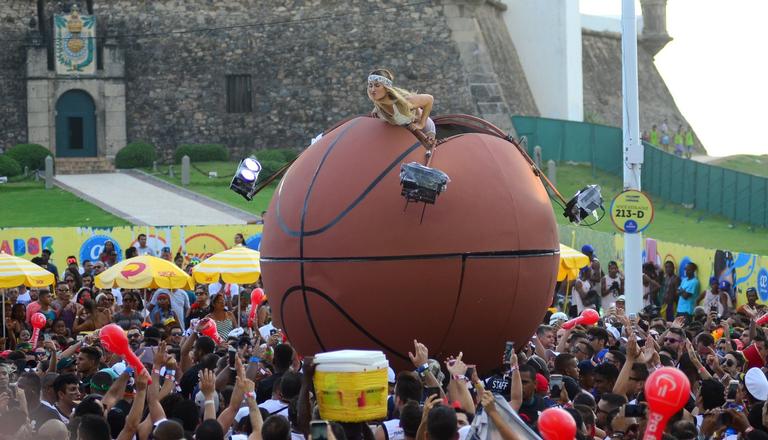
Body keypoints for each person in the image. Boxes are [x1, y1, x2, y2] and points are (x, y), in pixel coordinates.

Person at [366, 68, 436, 148]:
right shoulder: (378, 102)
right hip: (405, 133)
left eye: (377, 85)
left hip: (423, 131)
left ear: (387, 88)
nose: (372, 90)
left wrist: (421, 124)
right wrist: (376, 109)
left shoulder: (404, 102)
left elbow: (429, 99)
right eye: (370, 85)